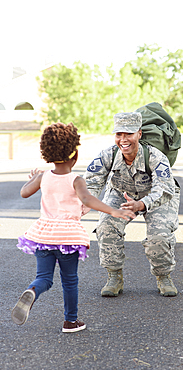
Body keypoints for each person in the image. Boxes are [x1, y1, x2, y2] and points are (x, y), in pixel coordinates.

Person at [11, 122, 135, 333]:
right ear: (75, 155)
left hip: (44, 235)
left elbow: (24, 193)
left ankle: (32, 290)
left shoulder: (43, 177)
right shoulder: (76, 180)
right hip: (67, 236)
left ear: (47, 154)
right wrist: (113, 211)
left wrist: (34, 178)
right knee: (69, 281)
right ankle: (70, 321)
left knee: (44, 278)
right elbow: (87, 199)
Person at [85, 111, 180, 297]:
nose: (123, 139)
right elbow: (91, 183)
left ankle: (163, 277)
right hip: (122, 193)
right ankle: (114, 277)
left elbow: (164, 189)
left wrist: (141, 204)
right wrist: (83, 204)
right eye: (119, 134)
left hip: (157, 196)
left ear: (139, 134)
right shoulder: (108, 155)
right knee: (106, 226)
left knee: (159, 236)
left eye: (128, 134)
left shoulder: (156, 157)